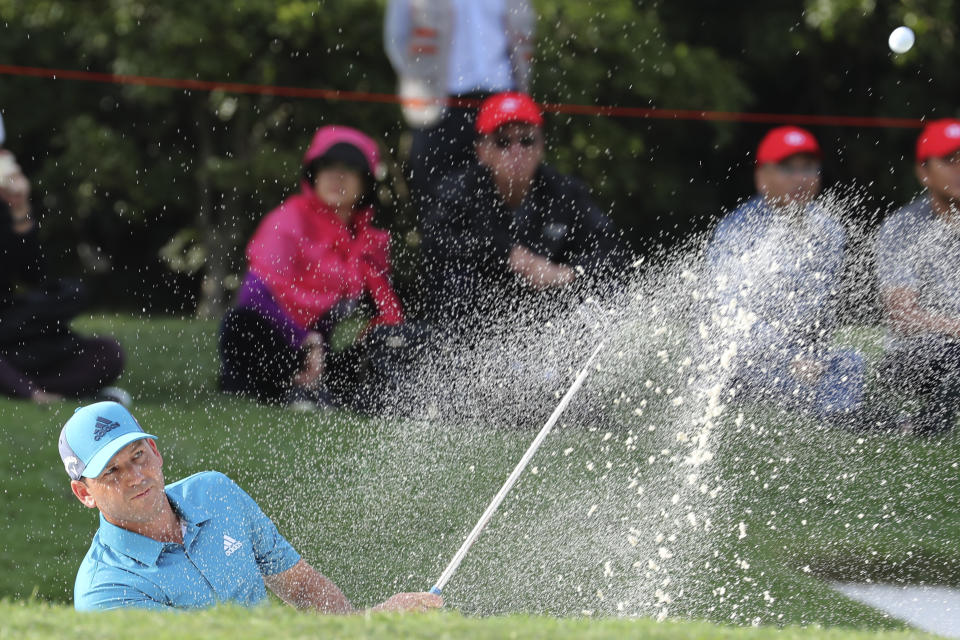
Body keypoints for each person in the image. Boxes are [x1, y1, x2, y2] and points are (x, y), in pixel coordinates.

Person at [59, 401, 443, 612]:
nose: (134, 477)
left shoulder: (215, 492)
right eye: (111, 472)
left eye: (138, 456)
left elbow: (304, 589)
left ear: (156, 453)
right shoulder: (106, 593)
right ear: (84, 494)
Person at [219, 126, 408, 410]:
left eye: (349, 168)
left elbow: (388, 311)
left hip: (321, 352)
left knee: (390, 344)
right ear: (314, 174)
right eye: (328, 166)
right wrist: (305, 341)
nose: (336, 176)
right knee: (241, 325)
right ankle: (297, 387)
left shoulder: (367, 242)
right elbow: (253, 295)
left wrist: (376, 336)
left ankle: (318, 389)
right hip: (277, 343)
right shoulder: (288, 221)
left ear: (365, 182)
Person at [420, 91, 625, 327]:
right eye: (503, 142)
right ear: (482, 151)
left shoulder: (565, 192)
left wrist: (566, 273)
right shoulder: (457, 192)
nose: (516, 151)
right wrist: (508, 254)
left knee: (603, 283)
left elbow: (611, 249)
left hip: (548, 315)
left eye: (527, 140)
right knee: (456, 281)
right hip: (482, 317)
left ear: (541, 146)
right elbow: (436, 243)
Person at [705, 126, 865, 420]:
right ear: (762, 175)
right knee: (826, 383)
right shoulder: (738, 231)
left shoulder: (828, 230)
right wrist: (790, 356)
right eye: (788, 169)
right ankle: (842, 414)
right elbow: (728, 314)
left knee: (852, 361)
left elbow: (819, 313)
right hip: (740, 358)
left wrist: (810, 354)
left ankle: (839, 411)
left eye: (808, 168)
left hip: (800, 356)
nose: (801, 178)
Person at [0, 111, 126, 405]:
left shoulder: (6, 203)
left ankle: (20, 381)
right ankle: (28, 389)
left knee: (106, 352)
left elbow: (33, 276)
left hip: (9, 328)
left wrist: (19, 210)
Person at [384, 0, 535, 202]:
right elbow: (397, 37)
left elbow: (525, 31)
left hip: (503, 104)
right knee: (435, 197)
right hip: (438, 106)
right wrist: (420, 80)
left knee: (504, 199)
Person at [873, 119, 960, 434]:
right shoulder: (903, 229)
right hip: (914, 357)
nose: (959, 169)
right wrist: (955, 327)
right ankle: (928, 425)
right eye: (949, 161)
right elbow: (902, 317)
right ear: (924, 172)